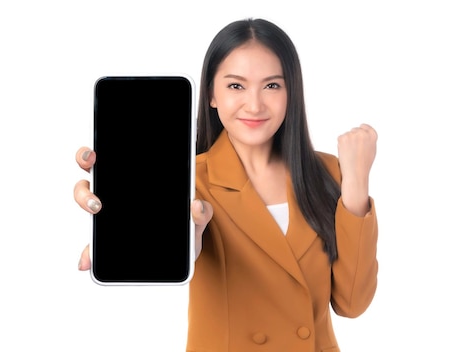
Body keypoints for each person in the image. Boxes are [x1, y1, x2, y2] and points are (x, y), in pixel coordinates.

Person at [74, 17, 379, 352]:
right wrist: (126, 235)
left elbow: (352, 303)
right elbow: (179, 248)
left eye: (272, 86)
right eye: (236, 86)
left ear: (292, 92)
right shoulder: (189, 181)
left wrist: (357, 182)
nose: (255, 104)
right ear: (211, 94)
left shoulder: (329, 171)